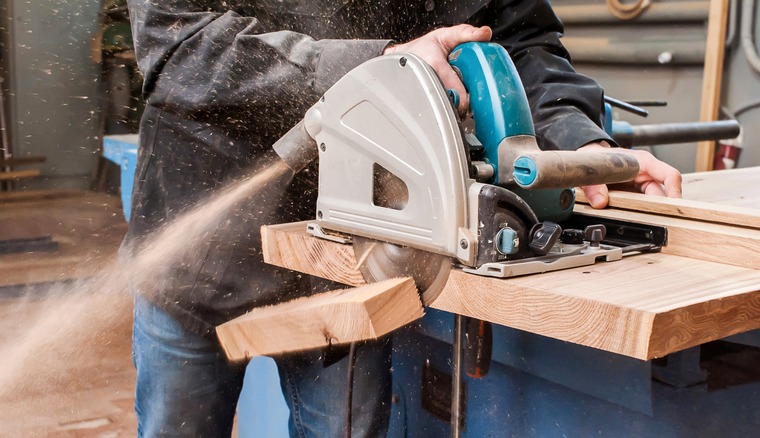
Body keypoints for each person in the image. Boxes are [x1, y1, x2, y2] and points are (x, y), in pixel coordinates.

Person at [125, 1, 682, 437]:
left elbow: (521, 43)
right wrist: (377, 68)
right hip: (199, 250)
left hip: (359, 258)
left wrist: (577, 146)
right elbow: (178, 47)